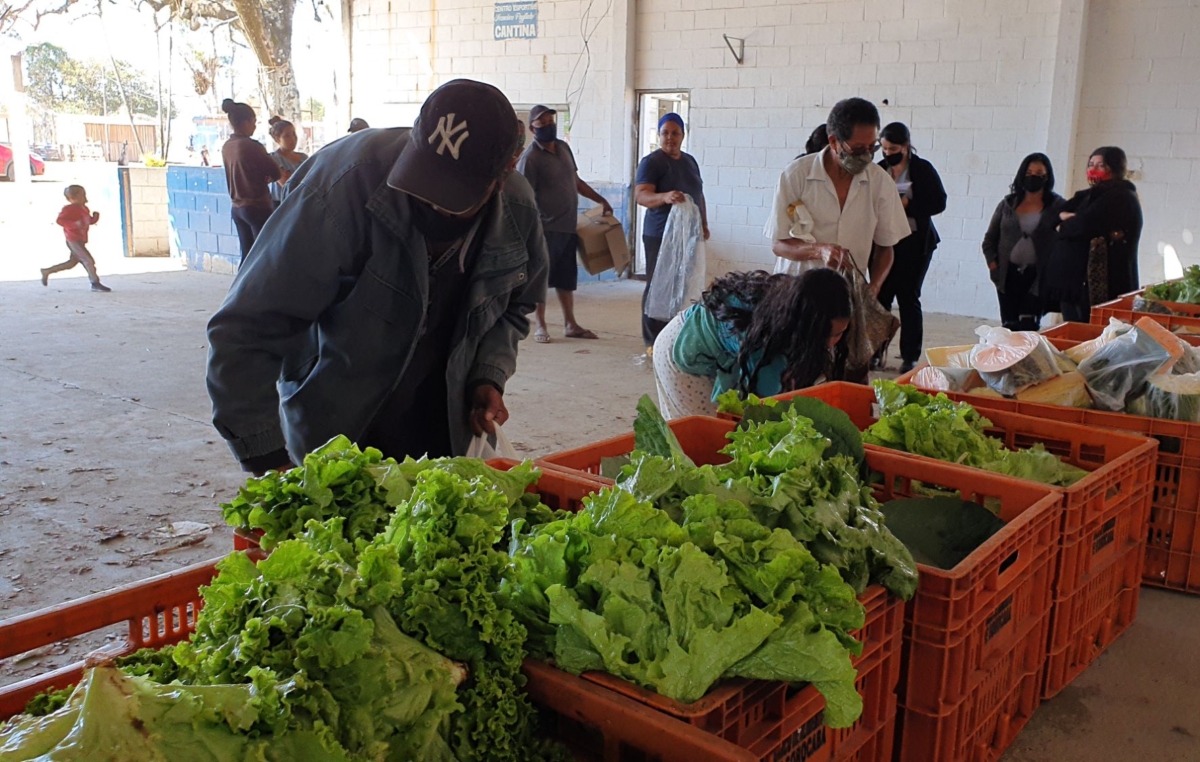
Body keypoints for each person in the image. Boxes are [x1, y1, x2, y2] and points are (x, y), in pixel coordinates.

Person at [206, 79, 548, 473]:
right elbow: (248, 326)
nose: (429, 203)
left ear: (503, 174)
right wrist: (266, 458)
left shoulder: (519, 210)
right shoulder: (338, 188)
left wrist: (489, 372)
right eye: (421, 184)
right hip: (334, 418)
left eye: (449, 198)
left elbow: (515, 307)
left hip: (443, 419)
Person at [652, 268, 851, 419]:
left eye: (839, 334)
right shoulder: (768, 342)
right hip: (682, 350)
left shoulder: (792, 308)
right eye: (826, 336)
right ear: (807, 327)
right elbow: (765, 405)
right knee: (702, 440)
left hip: (725, 348)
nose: (832, 344)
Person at [766, 97, 910, 292]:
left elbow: (885, 246)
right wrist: (818, 250)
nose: (867, 156)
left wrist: (874, 287)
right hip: (795, 292)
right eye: (858, 149)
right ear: (834, 141)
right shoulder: (796, 175)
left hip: (848, 294)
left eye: (872, 148)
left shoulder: (880, 182)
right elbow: (779, 245)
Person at [516, 104, 613, 343]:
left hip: (568, 227)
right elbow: (523, 195)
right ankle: (540, 325)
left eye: (551, 121)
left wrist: (600, 199)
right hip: (544, 229)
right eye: (543, 123)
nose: (549, 126)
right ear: (532, 128)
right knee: (541, 279)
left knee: (566, 278)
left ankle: (571, 323)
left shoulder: (564, 148)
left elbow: (576, 181)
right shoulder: (530, 159)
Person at [876, 122, 947, 373]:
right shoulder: (879, 169)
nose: (887, 153)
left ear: (906, 146)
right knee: (880, 298)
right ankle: (876, 352)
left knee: (908, 297)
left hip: (915, 243)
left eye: (892, 148)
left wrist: (908, 205)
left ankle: (909, 355)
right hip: (885, 242)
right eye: (883, 148)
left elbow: (939, 202)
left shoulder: (922, 169)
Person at [634, 112, 708, 348]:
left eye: (675, 133)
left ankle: (673, 332)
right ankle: (652, 340)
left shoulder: (689, 162)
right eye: (665, 132)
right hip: (660, 234)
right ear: (659, 135)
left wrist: (703, 224)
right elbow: (641, 195)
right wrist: (664, 196)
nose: (670, 138)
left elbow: (699, 195)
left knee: (682, 283)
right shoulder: (652, 162)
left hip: (688, 233)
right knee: (659, 283)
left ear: (683, 135)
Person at [1044, 146, 1143, 322]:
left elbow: (1084, 225)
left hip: (1103, 283)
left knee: (1093, 332)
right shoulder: (1086, 195)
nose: (1093, 170)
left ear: (1115, 167)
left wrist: (1063, 226)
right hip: (1075, 283)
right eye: (1090, 164)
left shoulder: (1122, 196)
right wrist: (1064, 218)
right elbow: (1051, 216)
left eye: (1100, 165)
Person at [982, 153, 1067, 331]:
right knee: (1009, 327)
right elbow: (989, 240)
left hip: (1038, 277)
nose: (1033, 177)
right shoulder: (1007, 204)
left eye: (1039, 173)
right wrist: (993, 266)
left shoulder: (1057, 206)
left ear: (1047, 176)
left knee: (1028, 326)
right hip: (1007, 275)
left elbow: (1065, 240)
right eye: (1029, 172)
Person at [219, 99, 281, 265]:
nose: (254, 126)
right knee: (262, 258)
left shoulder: (227, 146)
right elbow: (275, 172)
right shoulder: (252, 146)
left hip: (237, 208)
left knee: (247, 257)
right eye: (253, 122)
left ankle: (240, 290)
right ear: (246, 122)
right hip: (258, 207)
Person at [41, 184, 111, 292]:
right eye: (81, 195)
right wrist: (74, 225)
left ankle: (47, 271)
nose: (84, 198)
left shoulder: (84, 209)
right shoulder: (69, 209)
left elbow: (87, 221)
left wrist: (95, 218)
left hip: (81, 240)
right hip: (73, 240)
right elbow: (60, 220)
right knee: (88, 260)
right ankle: (95, 282)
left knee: (71, 263)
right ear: (72, 198)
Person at [267, 116, 308, 206]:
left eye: (294, 134)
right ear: (277, 139)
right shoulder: (273, 159)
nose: (293, 139)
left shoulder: (303, 157)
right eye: (287, 136)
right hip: (281, 204)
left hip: (302, 201)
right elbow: (286, 184)